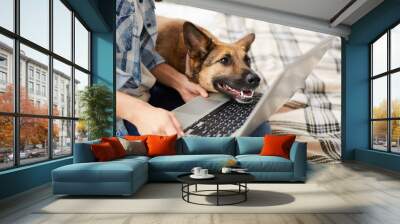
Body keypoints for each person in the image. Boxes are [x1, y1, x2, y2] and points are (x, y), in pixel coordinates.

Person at [116, 0, 208, 137]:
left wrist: (181, 83)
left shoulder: (145, 4)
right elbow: (84, 84)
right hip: (120, 116)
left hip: (146, 93)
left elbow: (146, 56)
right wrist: (138, 112)